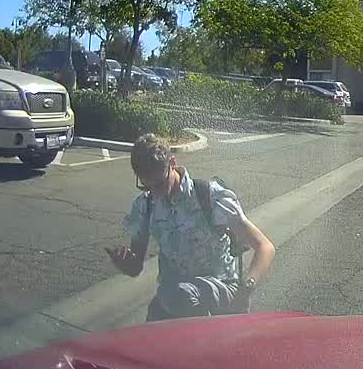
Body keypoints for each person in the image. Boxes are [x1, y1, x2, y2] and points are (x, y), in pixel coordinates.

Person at [106, 133, 276, 321]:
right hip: (173, 298)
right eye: (146, 186)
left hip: (221, 289)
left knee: (180, 296)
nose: (155, 193)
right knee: (160, 314)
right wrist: (126, 264)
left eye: (161, 184)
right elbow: (135, 268)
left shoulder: (208, 196)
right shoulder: (145, 206)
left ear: (172, 162)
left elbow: (265, 247)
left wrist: (247, 288)